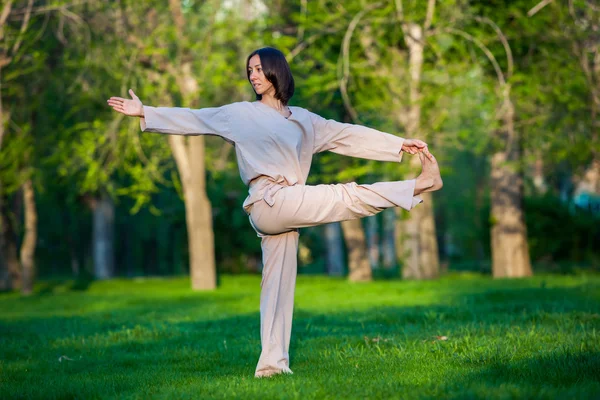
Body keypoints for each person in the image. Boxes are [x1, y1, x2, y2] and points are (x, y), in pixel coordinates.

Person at [107, 46, 443, 378]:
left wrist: (398, 143)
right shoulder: (240, 114)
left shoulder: (304, 120)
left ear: (275, 70)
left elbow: (347, 135)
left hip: (287, 208)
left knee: (279, 289)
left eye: (258, 68)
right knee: (344, 195)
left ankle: (271, 366)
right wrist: (145, 112)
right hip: (268, 201)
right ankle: (418, 185)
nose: (253, 75)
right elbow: (196, 117)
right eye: (249, 70)